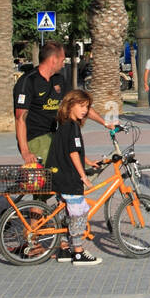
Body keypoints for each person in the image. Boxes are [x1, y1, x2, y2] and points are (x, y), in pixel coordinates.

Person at [15, 39, 112, 164]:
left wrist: (105, 123)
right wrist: (25, 151)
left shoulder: (59, 79)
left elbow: (78, 103)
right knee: (64, 170)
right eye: (62, 59)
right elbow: (20, 118)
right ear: (53, 60)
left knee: (82, 166)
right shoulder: (28, 81)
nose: (63, 63)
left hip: (55, 135)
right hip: (35, 138)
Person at [45, 90, 103, 265]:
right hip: (68, 176)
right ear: (70, 105)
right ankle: (78, 252)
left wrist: (88, 161)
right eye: (81, 106)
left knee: (65, 211)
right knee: (79, 213)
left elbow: (71, 150)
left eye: (86, 107)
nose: (84, 110)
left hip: (57, 174)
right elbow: (72, 153)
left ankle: (64, 249)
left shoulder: (64, 124)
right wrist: (83, 176)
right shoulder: (72, 126)